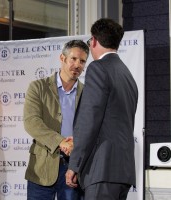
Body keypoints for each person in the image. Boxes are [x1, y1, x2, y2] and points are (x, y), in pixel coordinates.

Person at [66, 18, 138, 200]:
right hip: (123, 171)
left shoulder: (98, 68)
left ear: (94, 41)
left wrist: (75, 164)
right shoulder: (127, 75)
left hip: (102, 170)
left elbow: (89, 120)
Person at [23, 40, 89, 200]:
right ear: (62, 58)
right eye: (73, 59)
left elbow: (90, 128)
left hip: (73, 168)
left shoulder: (88, 93)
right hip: (41, 168)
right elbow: (31, 122)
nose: (77, 65)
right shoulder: (38, 87)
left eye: (82, 61)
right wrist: (61, 142)